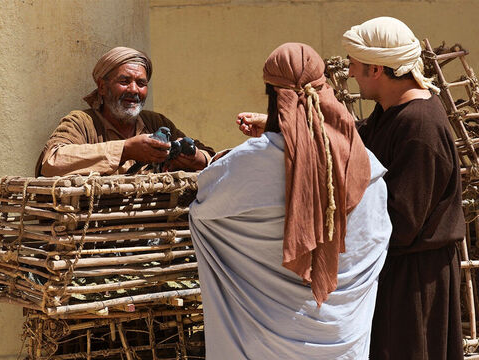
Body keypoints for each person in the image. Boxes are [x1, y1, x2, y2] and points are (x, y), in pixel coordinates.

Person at [189, 42, 391, 359]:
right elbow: (374, 241)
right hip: (344, 336)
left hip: (259, 343)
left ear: (271, 93)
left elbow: (203, 209)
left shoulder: (247, 163)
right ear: (324, 87)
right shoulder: (365, 166)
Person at [342, 17, 465, 360]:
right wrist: (284, 127)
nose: (350, 73)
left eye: (354, 64)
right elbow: (352, 139)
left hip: (416, 281)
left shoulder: (419, 124)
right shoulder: (391, 113)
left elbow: (402, 221)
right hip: (399, 272)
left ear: (377, 69)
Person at [35, 46, 214, 177]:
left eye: (141, 83)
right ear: (102, 87)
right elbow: (51, 162)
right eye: (124, 81)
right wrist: (125, 149)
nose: (134, 90)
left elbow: (211, 158)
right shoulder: (81, 122)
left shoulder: (156, 122)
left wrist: (196, 158)